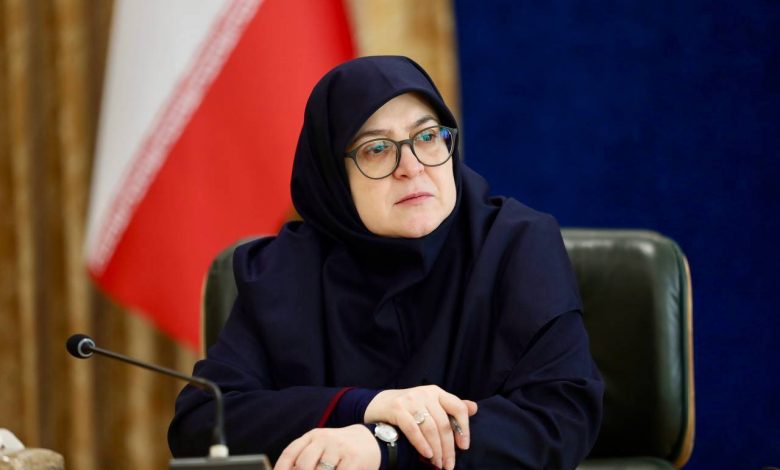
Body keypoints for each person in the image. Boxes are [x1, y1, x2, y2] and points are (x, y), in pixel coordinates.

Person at [168, 55, 603, 469]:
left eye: (427, 137)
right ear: (334, 177)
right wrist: (366, 405)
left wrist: (385, 445)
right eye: (376, 148)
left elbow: (560, 418)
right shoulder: (282, 273)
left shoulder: (516, 245)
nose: (411, 166)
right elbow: (201, 422)